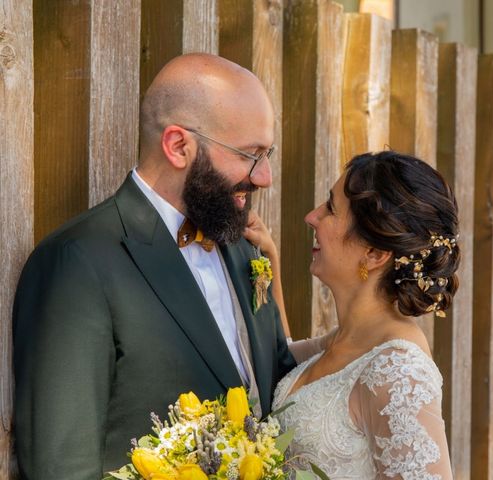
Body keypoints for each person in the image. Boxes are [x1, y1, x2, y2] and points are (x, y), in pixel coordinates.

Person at [12, 53, 300, 479]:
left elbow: (275, 387)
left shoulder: (244, 250)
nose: (265, 177)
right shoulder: (78, 261)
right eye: (250, 155)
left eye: (267, 153)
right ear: (179, 146)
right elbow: (62, 465)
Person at [269, 151, 459, 479]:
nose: (311, 217)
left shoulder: (399, 370)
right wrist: (267, 264)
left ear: (374, 253)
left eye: (330, 208)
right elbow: (278, 355)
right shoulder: (347, 341)